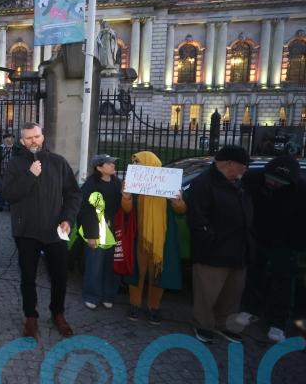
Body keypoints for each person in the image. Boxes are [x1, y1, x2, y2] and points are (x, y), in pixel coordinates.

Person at [1, 123, 82, 339]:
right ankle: (31, 317)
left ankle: (58, 313)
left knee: (59, 275)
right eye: (28, 138)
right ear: (22, 141)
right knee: (28, 276)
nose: (33, 141)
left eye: (36, 136)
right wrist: (29, 175)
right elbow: (8, 194)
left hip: (55, 230)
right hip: (26, 231)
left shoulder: (58, 162)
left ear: (43, 137)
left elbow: (74, 194)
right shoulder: (15, 164)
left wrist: (67, 219)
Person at [187, 145, 253, 344]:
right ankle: (203, 326)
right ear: (230, 164)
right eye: (244, 165)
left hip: (238, 250)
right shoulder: (203, 183)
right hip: (213, 252)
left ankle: (225, 326)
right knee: (207, 294)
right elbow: (198, 220)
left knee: (232, 295)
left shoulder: (239, 183)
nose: (246, 169)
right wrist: (212, 240)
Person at [242, 155, 306, 343]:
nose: (273, 183)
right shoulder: (253, 179)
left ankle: (278, 324)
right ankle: (250, 310)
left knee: (283, 284)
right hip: (258, 238)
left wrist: (296, 246)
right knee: (255, 275)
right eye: (271, 179)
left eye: (279, 182)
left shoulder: (301, 191)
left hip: (287, 243)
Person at [124, 151, 186, 325]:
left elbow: (181, 211)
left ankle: (154, 307)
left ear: (150, 164)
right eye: (135, 163)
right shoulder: (136, 187)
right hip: (139, 237)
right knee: (137, 272)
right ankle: (134, 305)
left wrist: (177, 202)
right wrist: (127, 198)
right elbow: (127, 210)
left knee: (157, 274)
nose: (136, 166)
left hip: (161, 239)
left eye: (139, 163)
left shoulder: (168, 185)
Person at [77, 154, 132, 310]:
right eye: (109, 163)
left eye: (113, 163)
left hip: (113, 231)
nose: (113, 165)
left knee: (111, 265)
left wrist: (125, 196)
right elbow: (86, 212)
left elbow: (122, 209)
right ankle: (91, 296)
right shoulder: (90, 185)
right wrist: (91, 236)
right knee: (94, 265)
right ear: (99, 167)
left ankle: (109, 295)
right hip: (96, 231)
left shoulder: (117, 183)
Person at [0, 132, 15, 212]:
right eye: (7, 139)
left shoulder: (15, 149)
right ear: (4, 140)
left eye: (11, 139)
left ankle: (10, 206)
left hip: (12, 174)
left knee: (11, 190)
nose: (9, 140)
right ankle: (0, 206)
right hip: (1, 172)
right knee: (1, 190)